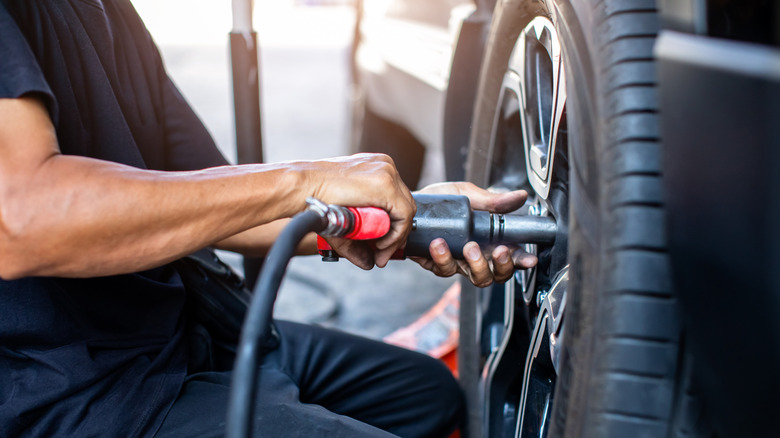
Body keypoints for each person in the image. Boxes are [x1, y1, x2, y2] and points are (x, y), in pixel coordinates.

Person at [0, 1, 536, 437]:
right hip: (75, 397)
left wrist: (413, 214)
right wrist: (307, 180)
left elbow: (220, 204)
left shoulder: (104, 11)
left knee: (430, 397)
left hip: (183, 337)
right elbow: (23, 218)